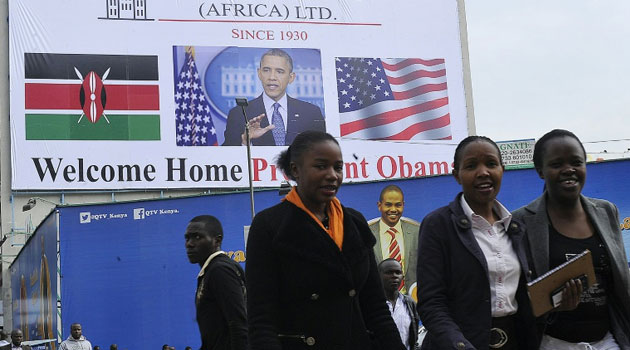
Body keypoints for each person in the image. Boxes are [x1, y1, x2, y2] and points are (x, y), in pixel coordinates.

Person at [246, 130, 405, 350]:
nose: (332, 175)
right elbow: (261, 319)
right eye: (321, 166)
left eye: (338, 167)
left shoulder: (355, 223)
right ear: (295, 170)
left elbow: (375, 308)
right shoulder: (269, 226)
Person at [416, 136, 537, 350]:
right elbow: (431, 303)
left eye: (491, 164)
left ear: (502, 169)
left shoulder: (516, 227)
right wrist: (459, 345)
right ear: (457, 175)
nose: (483, 172)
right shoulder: (438, 225)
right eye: (471, 166)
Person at [513, 129, 630, 350]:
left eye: (576, 162)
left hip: (608, 341)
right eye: (557, 164)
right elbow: (519, 294)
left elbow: (621, 279)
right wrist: (554, 306)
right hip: (553, 342)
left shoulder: (607, 211)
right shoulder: (522, 222)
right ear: (540, 171)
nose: (569, 170)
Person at [222, 48, 326, 146]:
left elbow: (323, 152)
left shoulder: (311, 113)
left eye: (279, 71)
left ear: (291, 78)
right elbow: (226, 158)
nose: (272, 77)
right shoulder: (239, 114)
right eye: (266, 70)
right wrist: (245, 142)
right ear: (259, 74)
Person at [184, 215, 248, 350]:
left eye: (197, 237)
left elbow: (239, 324)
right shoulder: (211, 270)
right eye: (187, 237)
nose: (189, 243)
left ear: (217, 241)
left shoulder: (220, 270)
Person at [369, 185, 420, 294]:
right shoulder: (366, 234)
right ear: (379, 206)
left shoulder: (417, 232)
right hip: (379, 301)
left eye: (398, 205)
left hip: (413, 302)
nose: (393, 209)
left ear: (403, 205)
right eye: (388, 205)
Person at [379, 258, 420, 350]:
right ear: (378, 276)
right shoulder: (372, 305)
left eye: (398, 272)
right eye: (389, 272)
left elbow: (414, 338)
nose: (394, 276)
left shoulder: (410, 304)